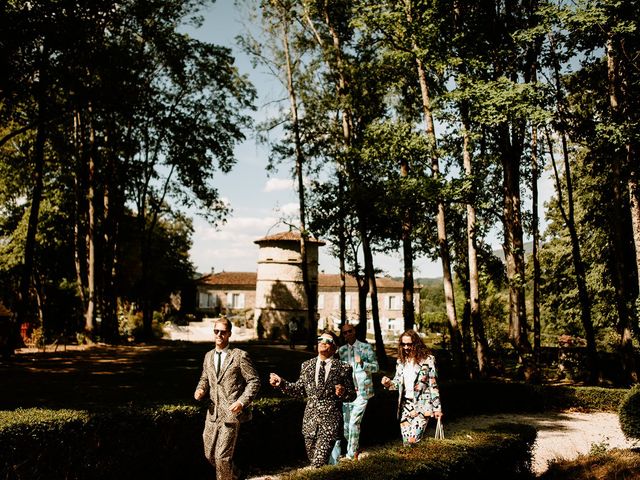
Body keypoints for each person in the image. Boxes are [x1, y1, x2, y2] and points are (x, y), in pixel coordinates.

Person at [269, 330, 357, 468]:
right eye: (320, 339)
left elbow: (352, 395)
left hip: (330, 423)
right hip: (310, 423)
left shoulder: (344, 368)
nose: (322, 342)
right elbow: (298, 389)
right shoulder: (306, 365)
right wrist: (281, 383)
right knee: (316, 462)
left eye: (327, 341)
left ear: (335, 348)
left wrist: (343, 392)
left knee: (317, 464)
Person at [194, 317, 261, 480]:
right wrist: (200, 389)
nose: (219, 335)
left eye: (223, 332)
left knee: (222, 458)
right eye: (216, 331)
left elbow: (254, 381)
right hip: (212, 414)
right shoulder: (208, 356)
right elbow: (205, 378)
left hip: (231, 415)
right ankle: (236, 475)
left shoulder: (239, 356)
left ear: (229, 334)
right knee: (209, 455)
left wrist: (241, 402)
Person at [381, 329, 442, 445]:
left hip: (422, 407)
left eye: (409, 344)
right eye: (403, 344)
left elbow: (433, 385)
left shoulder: (428, 360)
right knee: (406, 443)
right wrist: (388, 383)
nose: (406, 347)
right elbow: (398, 383)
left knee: (413, 441)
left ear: (416, 344)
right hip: (405, 407)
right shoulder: (401, 362)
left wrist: (437, 408)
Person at [330, 323, 379, 462]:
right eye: (344, 333)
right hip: (347, 393)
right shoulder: (342, 351)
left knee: (353, 423)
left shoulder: (366, 347)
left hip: (362, 393)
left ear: (354, 331)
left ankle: (351, 455)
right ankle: (355, 448)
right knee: (346, 427)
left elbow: (376, 368)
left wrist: (363, 363)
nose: (347, 334)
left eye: (349, 331)